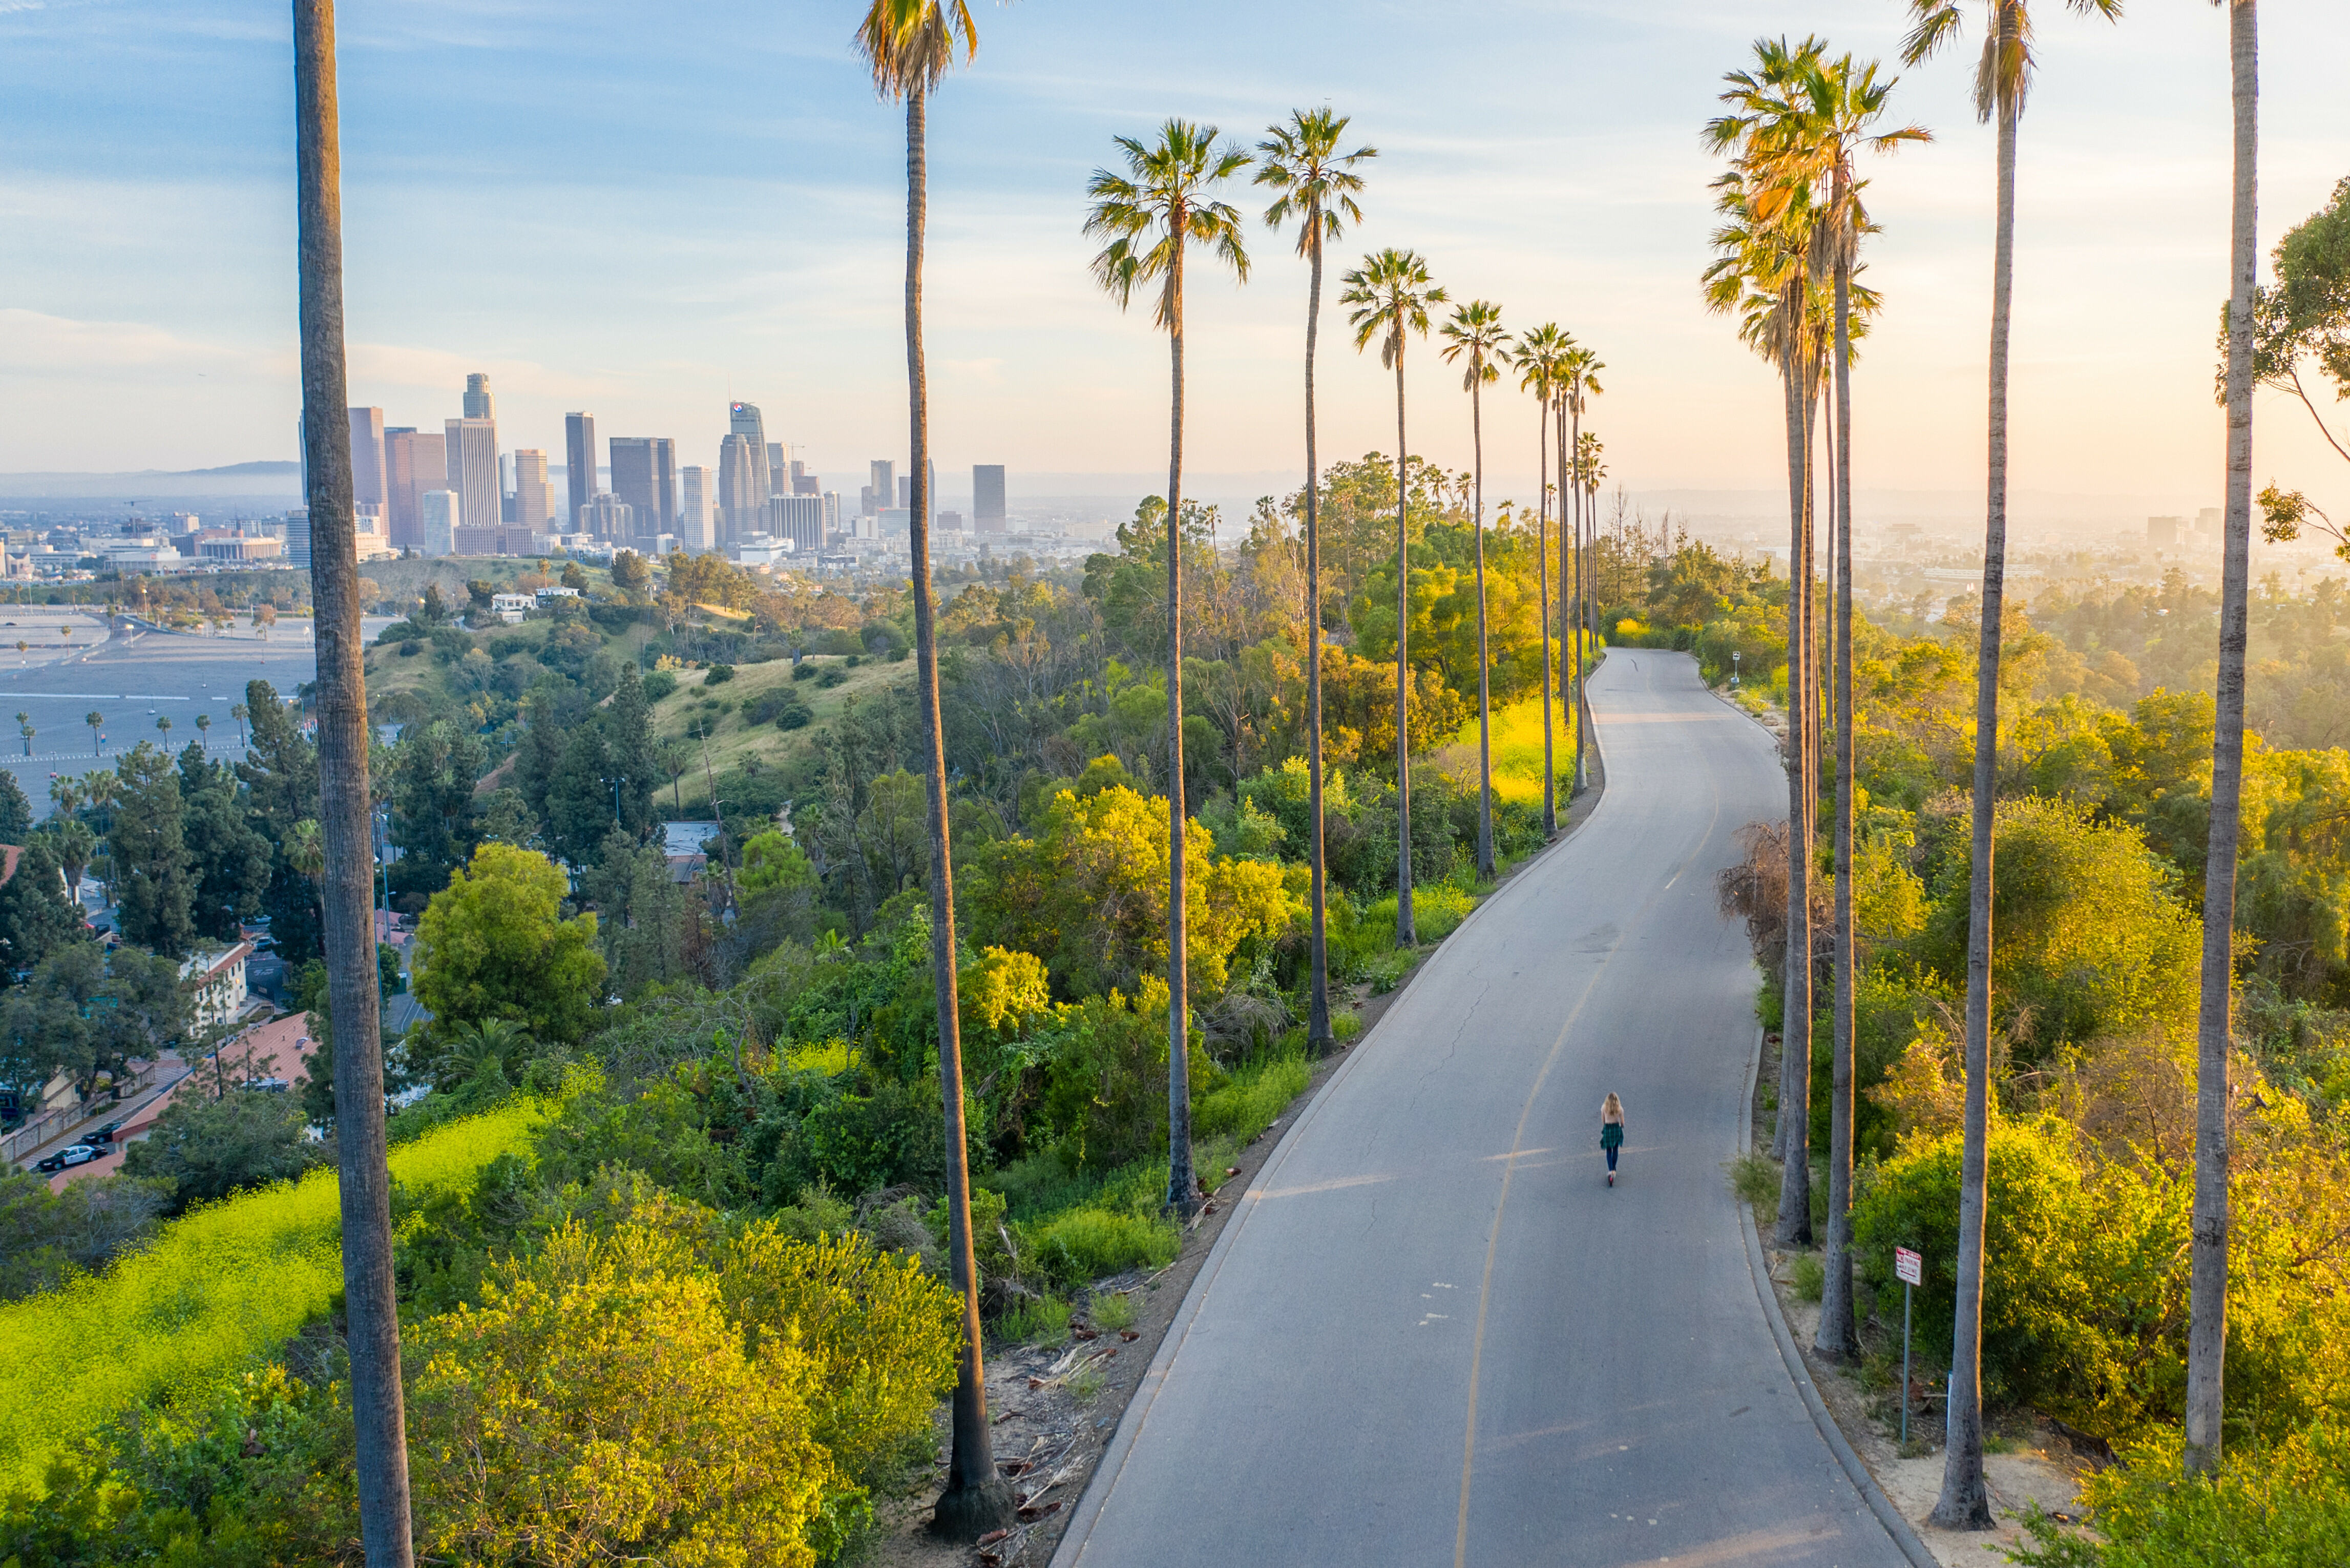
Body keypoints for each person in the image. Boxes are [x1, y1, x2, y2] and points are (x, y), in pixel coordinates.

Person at [1600, 1092, 1626, 1186]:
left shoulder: (1604, 1108)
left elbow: (1603, 1121)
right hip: (1616, 1128)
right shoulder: (1620, 1109)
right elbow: (1622, 1123)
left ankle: (1610, 1171)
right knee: (1615, 1149)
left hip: (1608, 1128)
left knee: (1608, 1150)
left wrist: (1606, 1127)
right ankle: (1614, 1169)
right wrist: (1621, 1126)